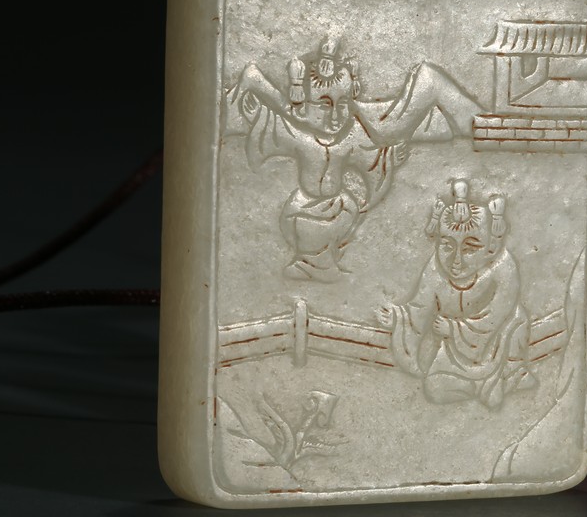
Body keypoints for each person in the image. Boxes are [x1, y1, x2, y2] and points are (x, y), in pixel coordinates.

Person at [228, 37, 484, 282]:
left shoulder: (349, 138)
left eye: (343, 104)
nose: (336, 117)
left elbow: (371, 159)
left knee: (341, 218)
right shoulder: (299, 135)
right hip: (304, 207)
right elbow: (275, 118)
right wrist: (256, 113)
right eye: (325, 105)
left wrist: (391, 156)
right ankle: (312, 265)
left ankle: (323, 264)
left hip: (339, 205)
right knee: (311, 232)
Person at [378, 180, 536, 408]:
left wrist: (453, 329)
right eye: (447, 246)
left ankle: (505, 378)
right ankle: (487, 388)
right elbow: (420, 307)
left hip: (497, 345)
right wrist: (399, 318)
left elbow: (497, 316)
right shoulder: (435, 269)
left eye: (470, 248)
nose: (456, 260)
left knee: (517, 320)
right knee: (434, 389)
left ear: (490, 248)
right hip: (453, 352)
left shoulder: (503, 268)